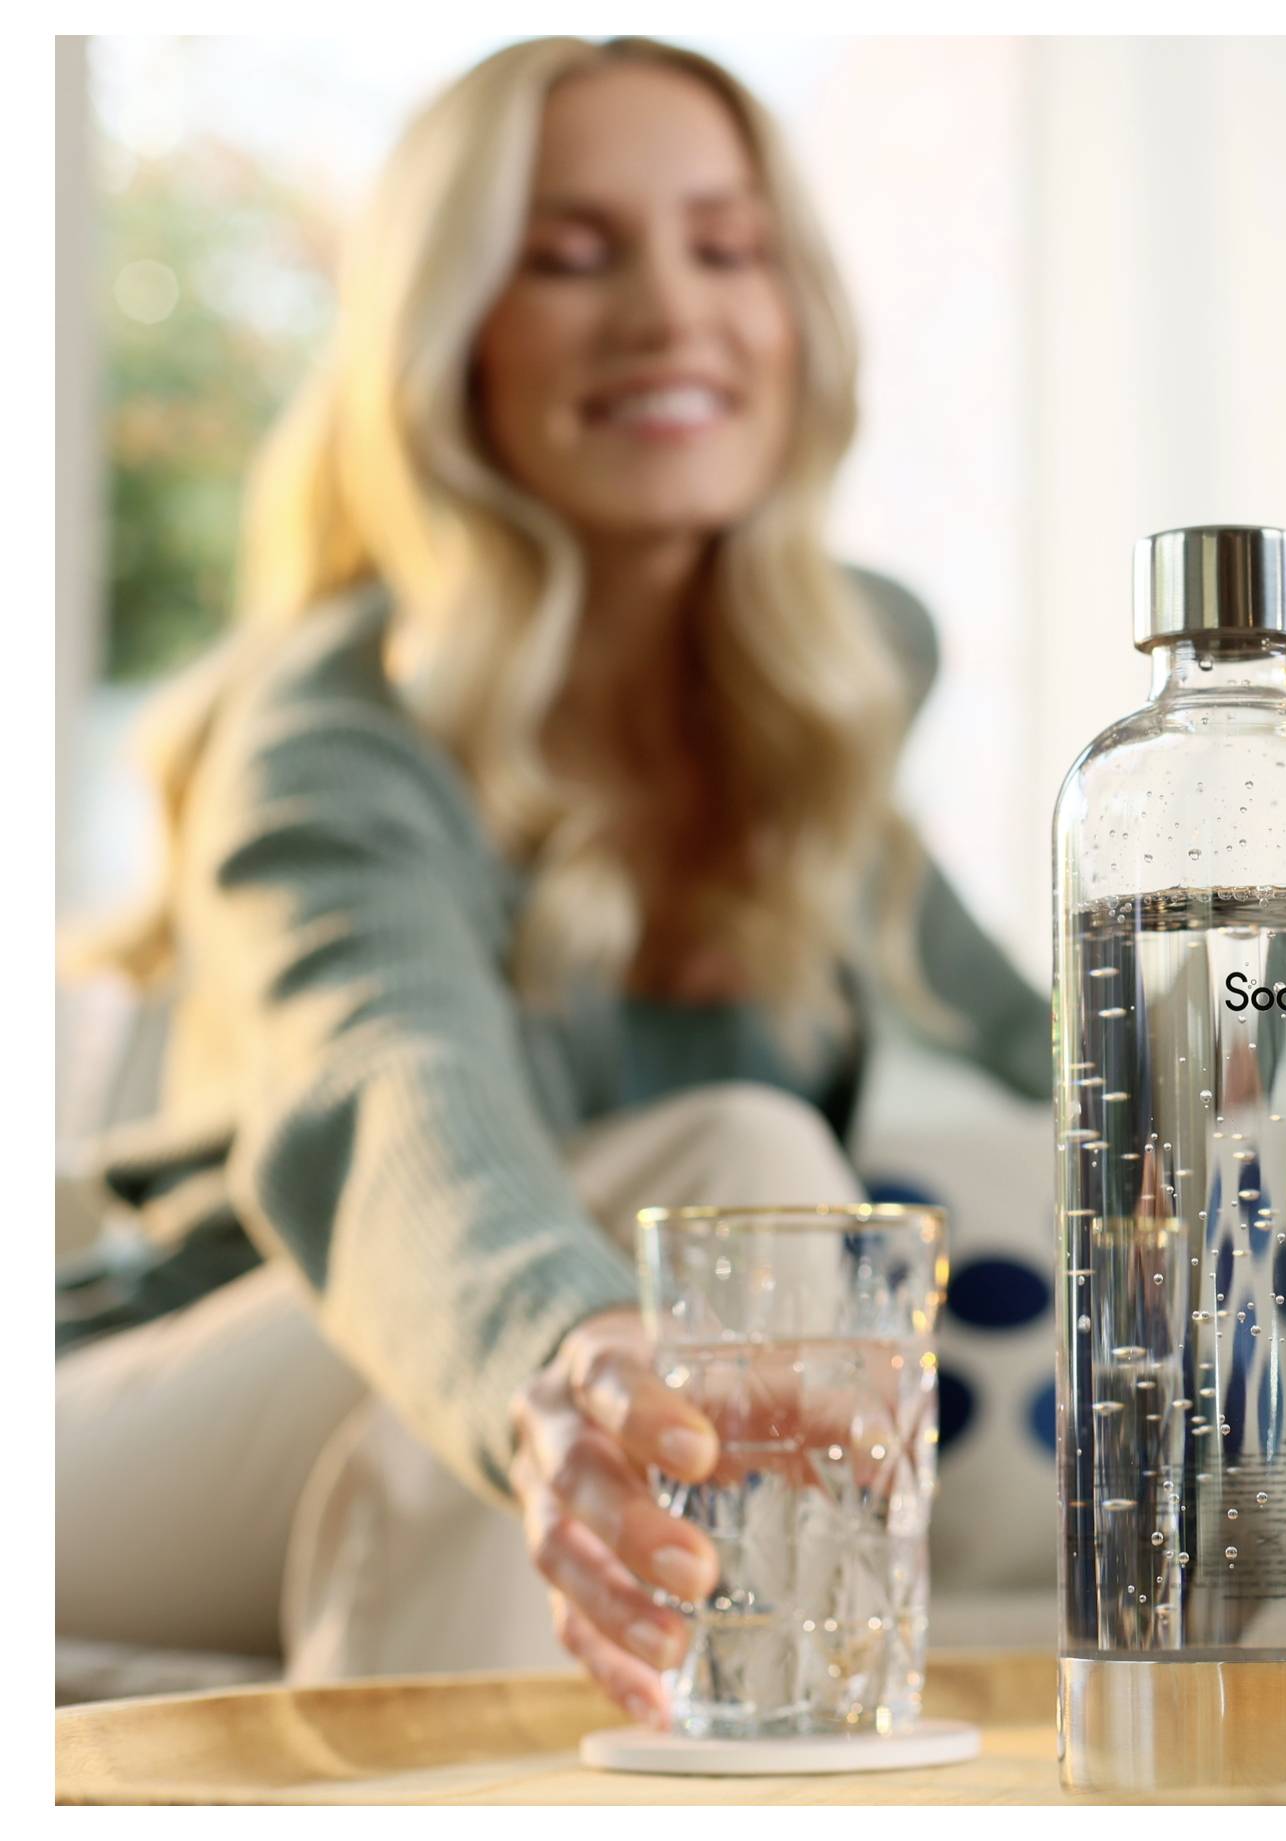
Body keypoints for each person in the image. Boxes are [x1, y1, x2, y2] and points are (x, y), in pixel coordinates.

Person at [55, 37, 1047, 1724]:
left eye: (724, 247)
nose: (669, 311)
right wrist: (563, 1342)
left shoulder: (806, 721)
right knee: (729, 1182)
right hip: (132, 1430)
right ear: (450, 347)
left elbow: (1088, 1088)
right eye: (570, 255)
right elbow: (389, 1089)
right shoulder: (334, 724)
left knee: (734, 1244)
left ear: (794, 312)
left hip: (526, 1375)